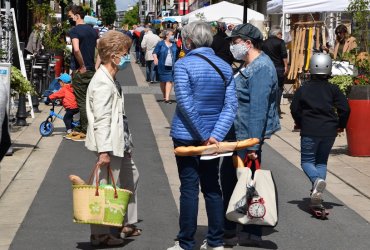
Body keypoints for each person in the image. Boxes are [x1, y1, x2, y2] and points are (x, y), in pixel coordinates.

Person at [167, 21, 237, 250]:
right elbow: (230, 106)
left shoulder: (183, 65)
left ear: (188, 41)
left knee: (189, 187)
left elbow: (185, 104)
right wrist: (214, 135)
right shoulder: (225, 67)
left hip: (187, 135)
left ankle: (186, 241)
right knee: (212, 186)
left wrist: (204, 134)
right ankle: (216, 240)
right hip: (215, 138)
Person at [220, 23, 280, 246]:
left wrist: (254, 145)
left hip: (247, 137)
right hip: (239, 135)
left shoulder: (261, 68)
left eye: (235, 42)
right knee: (238, 181)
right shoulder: (248, 64)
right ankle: (239, 226)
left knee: (241, 182)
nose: (232, 46)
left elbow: (258, 108)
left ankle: (245, 229)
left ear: (248, 43)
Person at [85, 30, 140, 247]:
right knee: (104, 188)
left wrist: (127, 143)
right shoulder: (102, 82)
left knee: (131, 178)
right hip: (109, 145)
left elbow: (119, 117)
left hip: (120, 143)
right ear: (114, 54)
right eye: (125, 52)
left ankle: (124, 222)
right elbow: (101, 120)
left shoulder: (110, 78)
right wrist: (104, 151)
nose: (128, 57)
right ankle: (100, 234)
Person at [290, 53, 350, 208]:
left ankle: (316, 181)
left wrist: (299, 122)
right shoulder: (334, 89)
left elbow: (294, 108)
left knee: (307, 162)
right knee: (322, 162)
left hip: (310, 129)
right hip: (329, 131)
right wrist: (341, 124)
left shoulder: (303, 89)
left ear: (311, 68)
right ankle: (317, 194)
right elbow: (345, 109)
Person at [66, 5, 99, 141]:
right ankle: (85, 126)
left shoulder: (74, 31)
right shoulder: (93, 31)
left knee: (81, 102)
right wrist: (96, 66)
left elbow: (76, 49)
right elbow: (101, 49)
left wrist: (82, 65)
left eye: (70, 17)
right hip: (92, 71)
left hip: (81, 71)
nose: (70, 19)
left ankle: (85, 129)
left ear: (77, 16)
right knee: (90, 100)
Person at [262, 26, 288, 117]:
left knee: (268, 87)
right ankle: (277, 109)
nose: (281, 36)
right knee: (279, 88)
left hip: (267, 67)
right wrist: (286, 66)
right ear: (277, 34)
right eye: (280, 34)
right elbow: (284, 55)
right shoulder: (280, 42)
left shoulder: (264, 43)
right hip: (278, 67)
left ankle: (268, 108)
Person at [153, 29, 178, 103]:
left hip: (171, 66)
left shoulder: (174, 45)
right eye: (171, 34)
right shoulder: (160, 44)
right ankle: (164, 95)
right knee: (162, 82)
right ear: (167, 35)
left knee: (169, 81)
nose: (173, 36)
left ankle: (167, 98)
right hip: (162, 65)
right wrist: (155, 58)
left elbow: (177, 54)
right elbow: (155, 52)